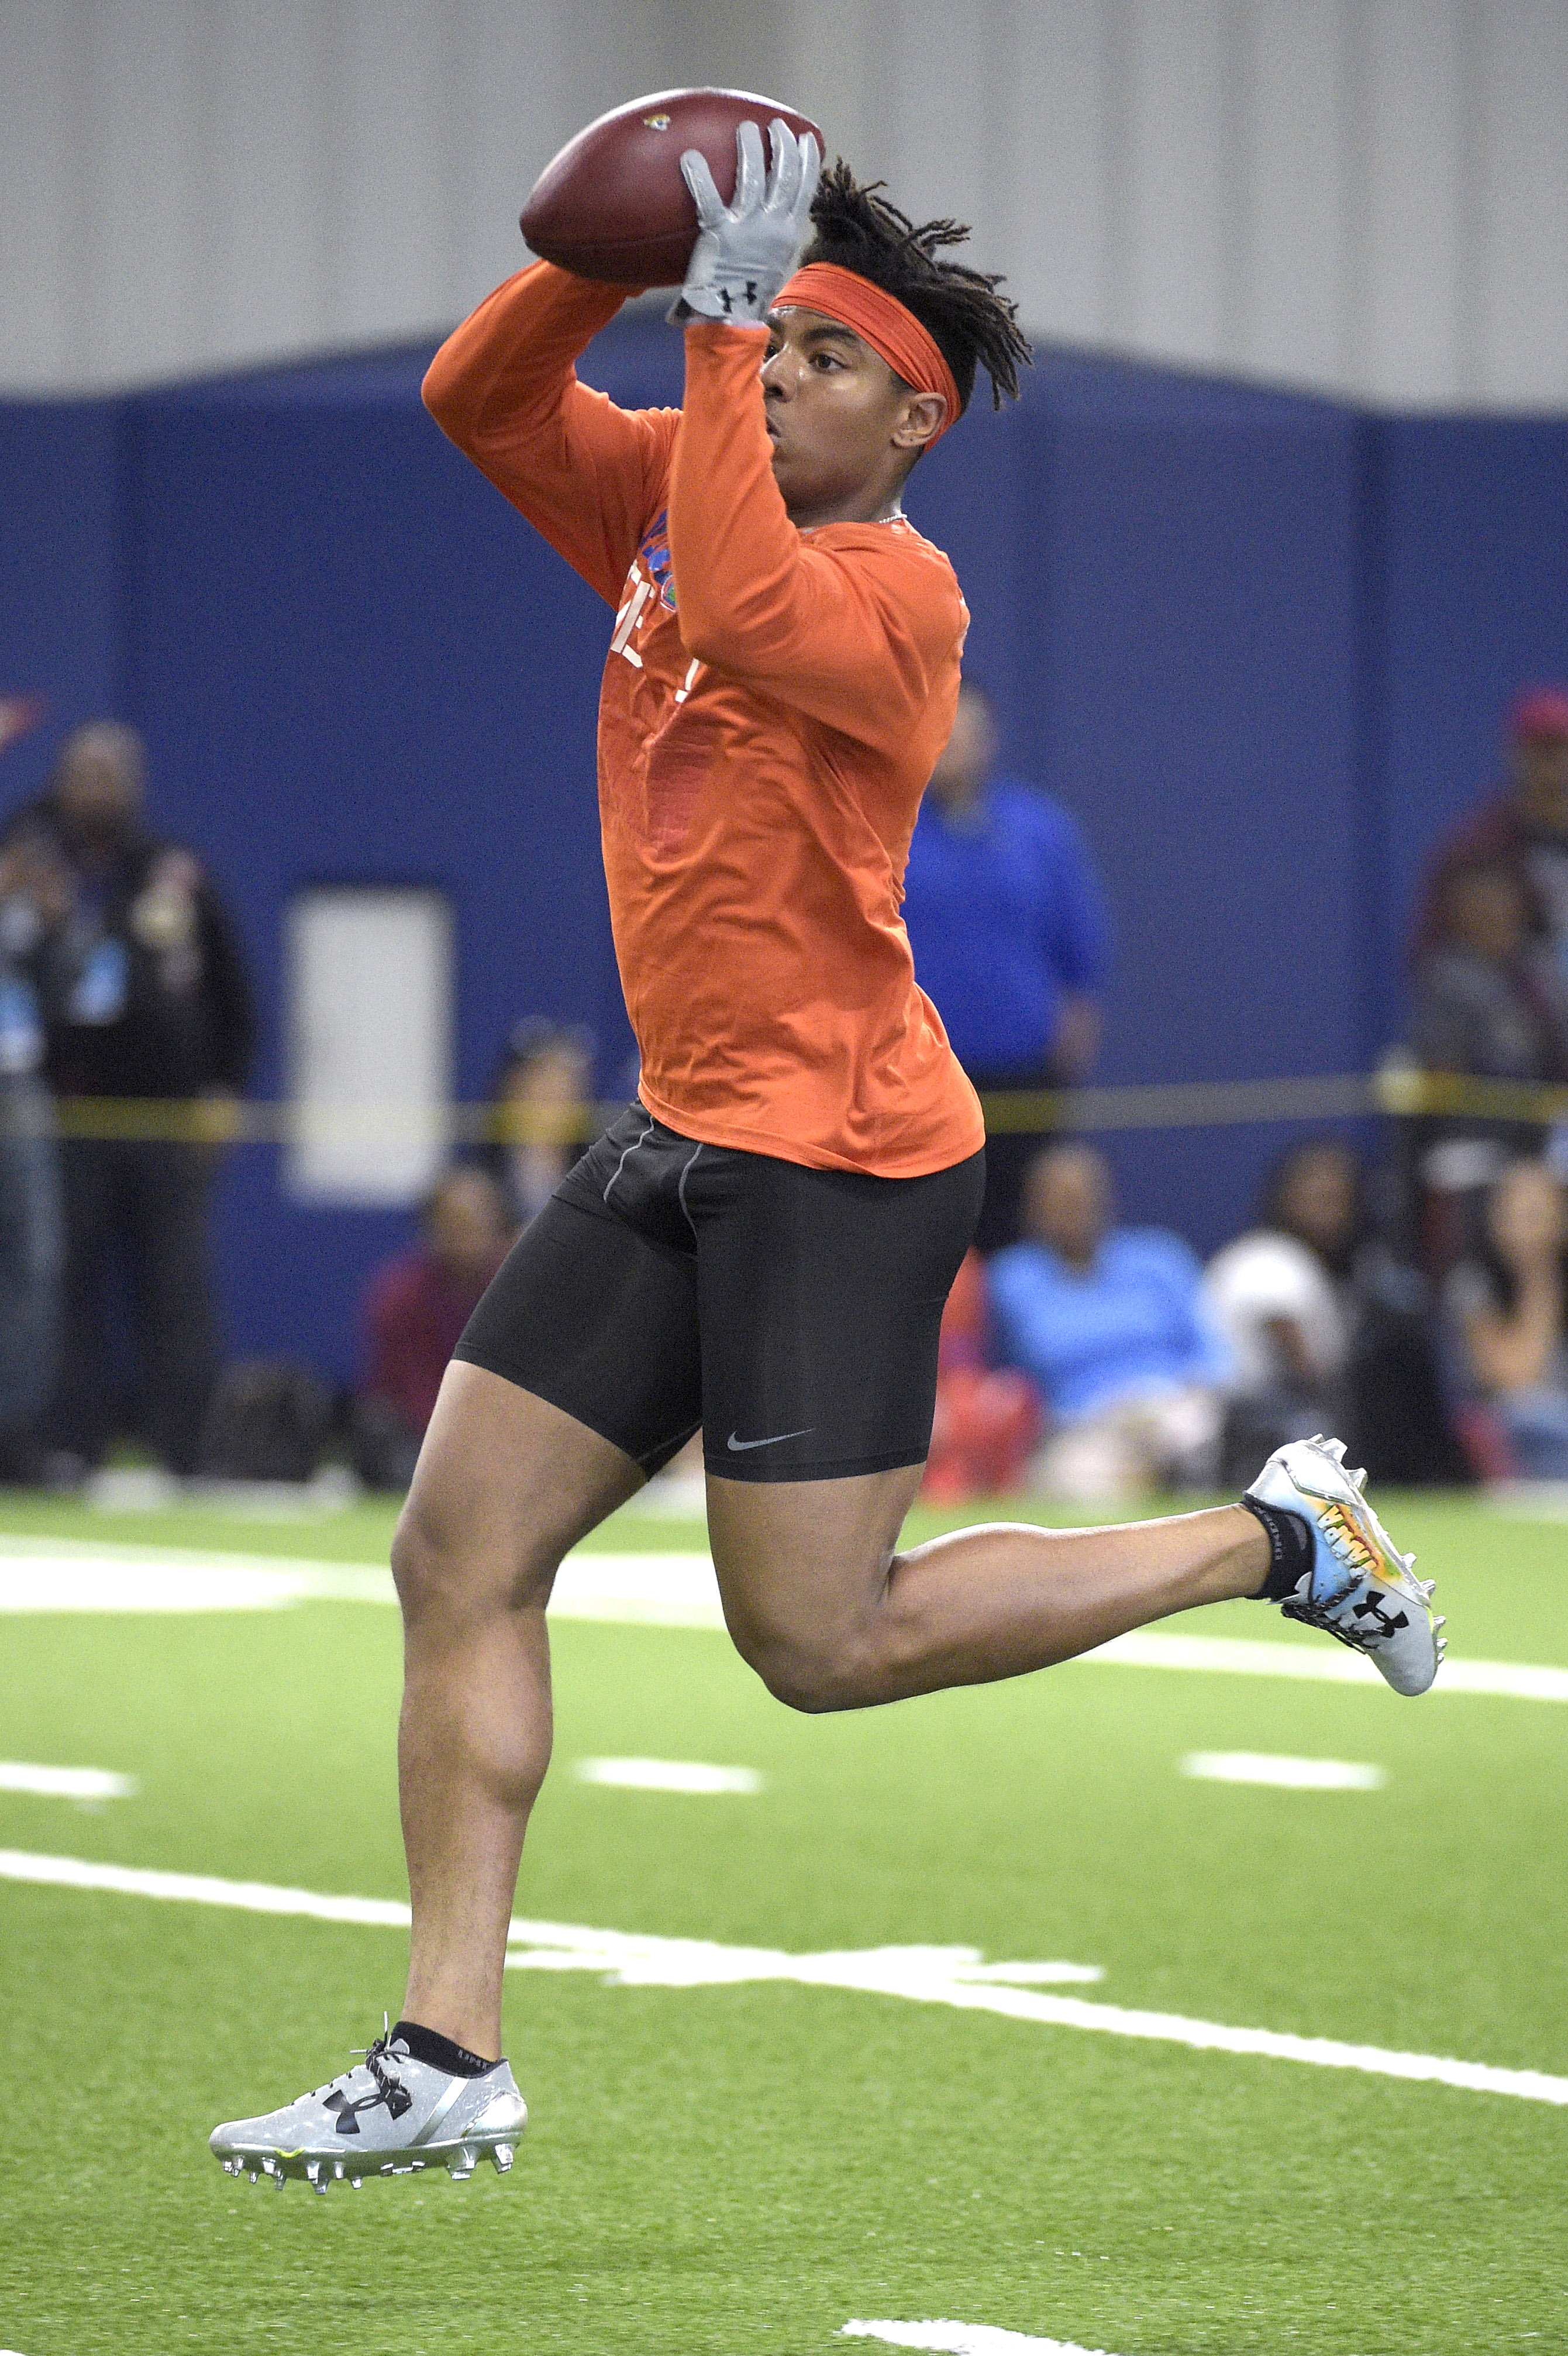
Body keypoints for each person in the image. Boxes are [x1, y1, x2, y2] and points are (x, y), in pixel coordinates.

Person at [212, 123, 1441, 2189]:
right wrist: (613, 262)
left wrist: (698, 340)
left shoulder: (900, 587)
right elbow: (472, 398)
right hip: (681, 1127)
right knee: (455, 1551)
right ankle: (446, 2047)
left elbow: (755, 600)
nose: (773, 366)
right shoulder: (673, 480)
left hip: (844, 1156)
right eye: (761, 339)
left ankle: (1278, 1537)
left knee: (819, 1644)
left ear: (913, 413)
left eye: (817, 354)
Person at [5, 722, 257, 1477]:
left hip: (167, 1117)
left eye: (111, 773)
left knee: (174, 1284)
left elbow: (232, 992)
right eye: (83, 772)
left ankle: (181, 1447)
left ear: (136, 784)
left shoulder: (169, 871)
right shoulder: (26, 861)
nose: (96, 787)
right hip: (65, 1119)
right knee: (63, 1280)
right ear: (59, 781)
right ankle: (68, 1444)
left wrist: (224, 1088)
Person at [900, 679, 1111, 1249]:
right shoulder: (886, 823)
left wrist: (1064, 1059)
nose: (954, 744)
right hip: (914, 1076)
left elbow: (1081, 958)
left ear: (989, 738)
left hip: (1024, 1076)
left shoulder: (1039, 829)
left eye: (967, 730)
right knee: (930, 1232)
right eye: (942, 728)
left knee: (1019, 1229)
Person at [988, 1141, 1231, 1497]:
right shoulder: (1012, 1278)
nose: (1071, 1209)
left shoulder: (1158, 1258)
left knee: (1190, 1431)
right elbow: (1003, 1371)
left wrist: (1189, 1393)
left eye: (1080, 1196)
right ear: (1031, 1207)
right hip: (1083, 1425)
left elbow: (1215, 1354)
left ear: (1104, 1198)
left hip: (1171, 1408)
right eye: (1056, 1199)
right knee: (1078, 1491)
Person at [0, 697, 68, 1482]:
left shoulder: (33, 903)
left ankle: (15, 1429)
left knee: (34, 1262)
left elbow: (74, 1004)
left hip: (18, 1084)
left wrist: (53, 929)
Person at [351, 1169, 516, 1491]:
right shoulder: (399, 1295)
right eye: (454, 1227)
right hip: (418, 1439)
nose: (466, 1241)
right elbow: (411, 1395)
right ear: (431, 1229)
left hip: (504, 1437)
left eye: (475, 1227)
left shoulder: (522, 1291)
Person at [1414, 688, 1568, 984]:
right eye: (1545, 753)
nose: (1558, 769)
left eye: (1564, 751)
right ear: (1517, 756)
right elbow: (1430, 958)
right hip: (1511, 1013)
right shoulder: (1480, 848)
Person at [1445, 1159, 1568, 1480]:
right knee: (1530, 1414)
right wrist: (1538, 1272)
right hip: (1510, 1428)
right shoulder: (1473, 1282)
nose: (1531, 1223)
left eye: (1542, 1211)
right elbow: (1518, 1378)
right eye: (1521, 1210)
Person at [479, 1018, 595, 1227]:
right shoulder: (481, 1171)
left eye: (564, 1079)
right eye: (540, 1076)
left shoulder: (601, 1169)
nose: (554, 1089)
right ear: (511, 1085)